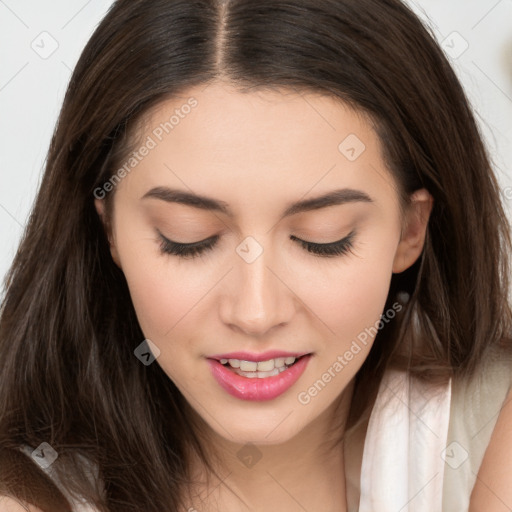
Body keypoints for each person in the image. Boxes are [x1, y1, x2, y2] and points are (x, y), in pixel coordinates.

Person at [1, 0, 511, 511]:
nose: (255, 312)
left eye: (323, 238)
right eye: (188, 238)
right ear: (109, 228)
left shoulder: (487, 432)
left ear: (409, 230)